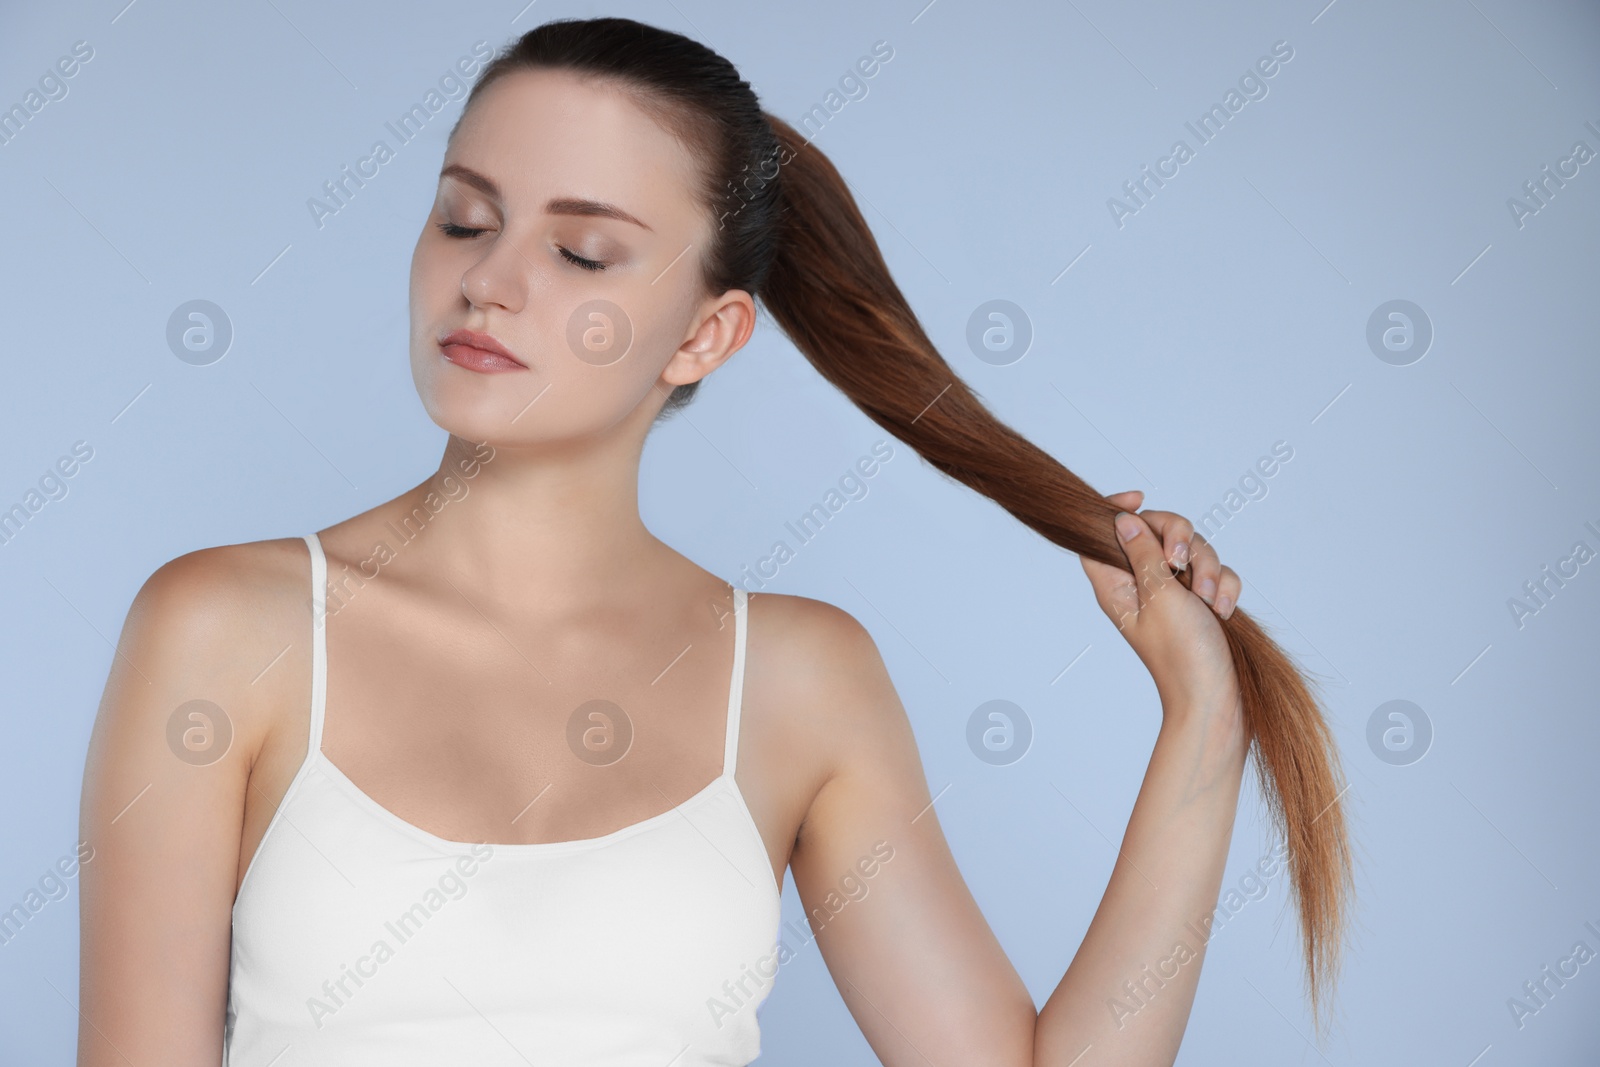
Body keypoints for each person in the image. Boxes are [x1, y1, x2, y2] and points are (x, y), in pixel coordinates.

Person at [77, 16, 1350, 1065]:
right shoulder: (223, 628)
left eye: (581, 250)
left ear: (706, 336)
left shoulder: (801, 679)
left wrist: (1203, 714)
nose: (490, 280)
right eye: (466, 218)